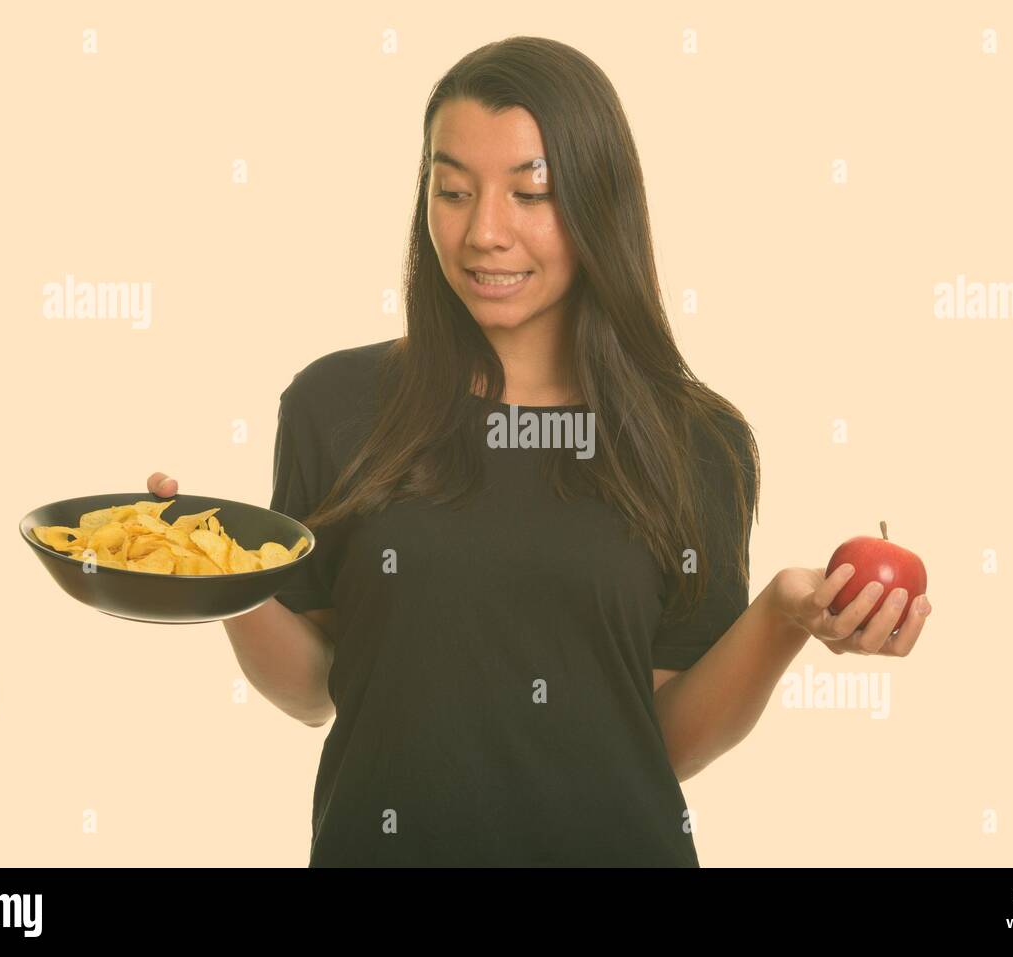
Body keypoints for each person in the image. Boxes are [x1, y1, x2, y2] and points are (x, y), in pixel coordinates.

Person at [146, 37, 932, 867]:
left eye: (532, 193)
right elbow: (313, 690)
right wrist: (219, 579)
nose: (484, 232)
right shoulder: (333, 406)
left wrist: (780, 615)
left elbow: (665, 741)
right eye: (452, 191)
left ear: (599, 203)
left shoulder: (698, 441)